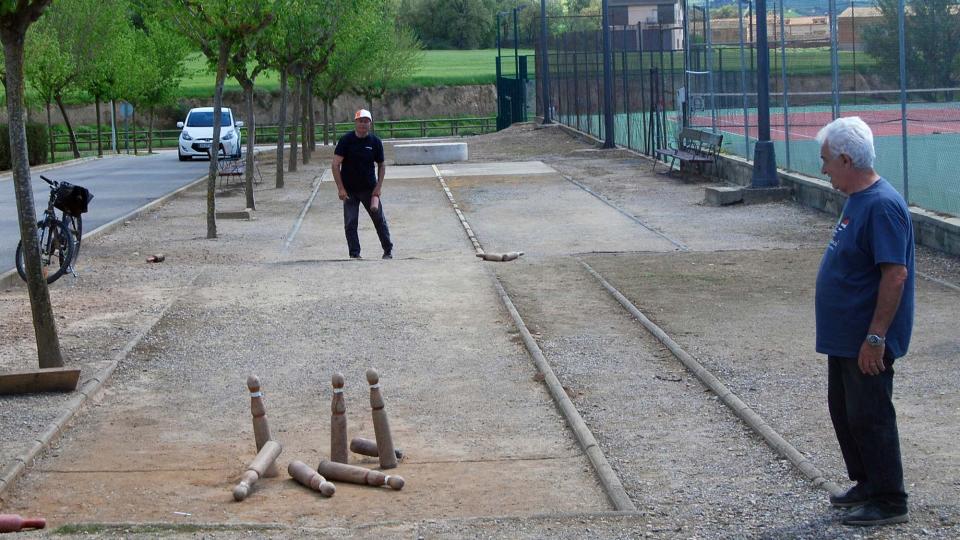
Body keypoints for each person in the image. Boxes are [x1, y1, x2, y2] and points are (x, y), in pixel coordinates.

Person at [814, 117, 914, 527]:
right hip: (844, 337)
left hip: (865, 338)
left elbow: (895, 275)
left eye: (826, 162)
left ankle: (890, 499)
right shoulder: (857, 199)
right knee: (845, 410)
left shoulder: (882, 205)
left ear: (844, 159)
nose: (822, 170)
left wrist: (876, 337)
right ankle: (868, 482)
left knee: (870, 413)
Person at [332, 109, 393, 259]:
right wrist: (340, 188)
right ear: (355, 122)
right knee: (350, 223)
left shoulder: (375, 142)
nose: (363, 124)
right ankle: (355, 254)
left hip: (369, 190)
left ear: (370, 124)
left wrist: (378, 188)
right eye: (360, 121)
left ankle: (388, 250)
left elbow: (382, 165)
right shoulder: (346, 140)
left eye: (366, 121)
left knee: (379, 220)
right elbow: (335, 164)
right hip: (349, 191)